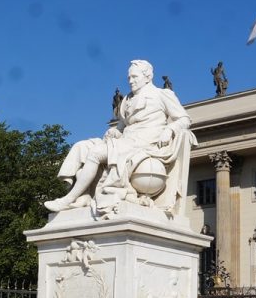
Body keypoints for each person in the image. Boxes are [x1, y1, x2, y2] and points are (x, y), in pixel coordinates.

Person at [44, 59, 194, 215]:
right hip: (126, 141)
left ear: (148, 77)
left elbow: (184, 119)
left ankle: (68, 199)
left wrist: (169, 129)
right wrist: (115, 131)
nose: (130, 81)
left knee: (95, 153)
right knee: (82, 147)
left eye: (134, 77)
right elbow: (121, 127)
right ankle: (84, 196)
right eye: (129, 77)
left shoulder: (162, 94)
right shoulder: (127, 100)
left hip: (145, 142)